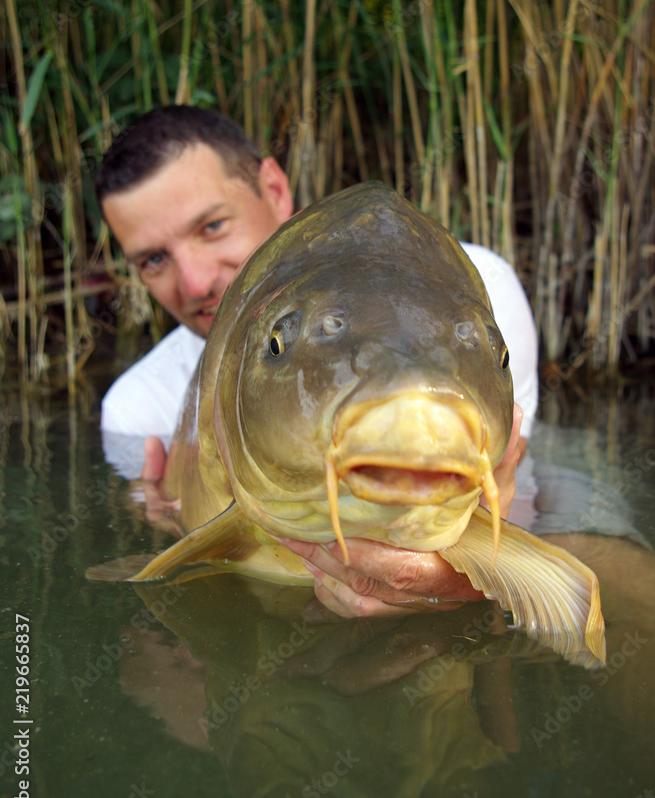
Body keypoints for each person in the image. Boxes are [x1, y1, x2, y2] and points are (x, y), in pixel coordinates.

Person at [97, 105, 539, 617]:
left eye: (212, 226)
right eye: (154, 259)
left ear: (274, 189)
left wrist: (467, 584)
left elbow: (519, 495)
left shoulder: (479, 294)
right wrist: (166, 520)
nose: (195, 282)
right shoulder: (134, 406)